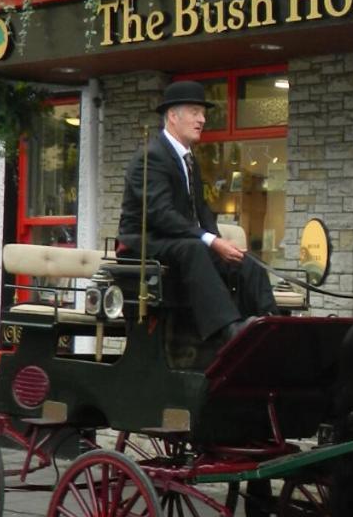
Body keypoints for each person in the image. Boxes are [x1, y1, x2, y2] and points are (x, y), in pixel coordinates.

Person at [117, 80, 278, 360]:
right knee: (195, 249)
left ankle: (272, 324)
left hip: (177, 241)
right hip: (146, 242)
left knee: (244, 260)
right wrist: (210, 241)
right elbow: (160, 214)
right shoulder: (152, 156)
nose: (202, 119)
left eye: (202, 113)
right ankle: (230, 331)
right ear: (172, 116)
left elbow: (201, 210)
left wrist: (220, 241)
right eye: (194, 112)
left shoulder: (189, 159)